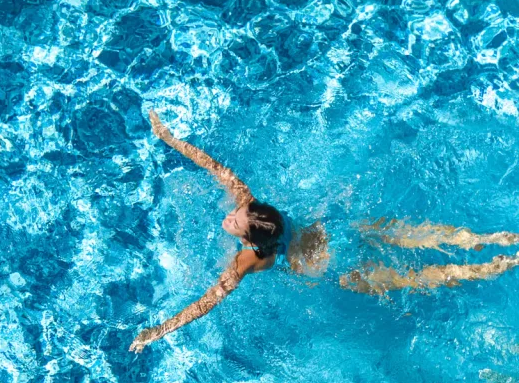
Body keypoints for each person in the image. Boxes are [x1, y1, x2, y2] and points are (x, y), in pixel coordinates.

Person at [129, 110, 519, 353]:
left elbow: (205, 304)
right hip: (338, 234)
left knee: (414, 278)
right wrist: (169, 138)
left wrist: (158, 331)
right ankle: (493, 240)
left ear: (249, 240)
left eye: (236, 221)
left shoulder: (247, 260)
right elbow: (215, 167)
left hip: (336, 269)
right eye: (236, 213)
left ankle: (489, 266)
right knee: (411, 234)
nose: (231, 216)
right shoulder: (257, 209)